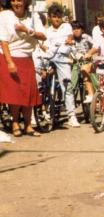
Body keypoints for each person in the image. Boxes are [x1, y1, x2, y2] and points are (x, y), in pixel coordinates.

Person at [0, 0, 47, 137]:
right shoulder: (5, 16)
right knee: (14, 93)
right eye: (13, 0)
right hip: (9, 56)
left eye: (19, 0)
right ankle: (15, 123)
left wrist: (26, 30)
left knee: (28, 92)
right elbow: (3, 42)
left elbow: (43, 36)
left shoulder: (33, 16)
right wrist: (10, 62)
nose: (16, 3)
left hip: (26, 57)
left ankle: (28, 125)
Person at [45, 3, 79, 128]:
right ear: (49, 17)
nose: (57, 19)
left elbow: (70, 37)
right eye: (54, 16)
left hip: (63, 59)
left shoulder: (66, 26)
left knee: (67, 86)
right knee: (45, 85)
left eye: (59, 16)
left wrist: (69, 41)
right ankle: (45, 111)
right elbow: (45, 46)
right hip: (50, 58)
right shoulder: (47, 31)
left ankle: (71, 115)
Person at [70, 21, 94, 106]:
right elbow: (70, 50)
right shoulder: (70, 39)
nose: (76, 30)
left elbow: (95, 46)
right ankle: (71, 99)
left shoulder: (86, 37)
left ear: (82, 30)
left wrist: (90, 54)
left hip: (88, 61)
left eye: (78, 28)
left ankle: (94, 95)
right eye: (73, 29)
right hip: (76, 62)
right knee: (72, 81)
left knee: (93, 77)